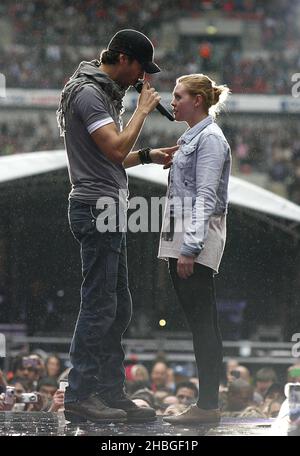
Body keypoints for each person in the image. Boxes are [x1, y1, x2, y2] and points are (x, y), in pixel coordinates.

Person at [56, 29, 177, 424]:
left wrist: (148, 155)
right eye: (141, 69)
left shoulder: (101, 92)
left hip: (108, 207)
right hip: (96, 207)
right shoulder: (91, 94)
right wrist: (142, 109)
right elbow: (114, 148)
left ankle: (109, 391)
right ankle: (79, 393)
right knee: (99, 304)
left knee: (117, 305)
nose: (143, 79)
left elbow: (116, 156)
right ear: (124, 59)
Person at [160, 73, 231, 425]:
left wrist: (189, 248)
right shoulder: (195, 137)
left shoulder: (211, 140)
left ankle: (207, 405)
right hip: (185, 232)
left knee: (203, 323)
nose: (172, 102)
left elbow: (205, 197)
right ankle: (206, 404)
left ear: (197, 100)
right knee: (199, 322)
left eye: (178, 96)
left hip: (194, 237)